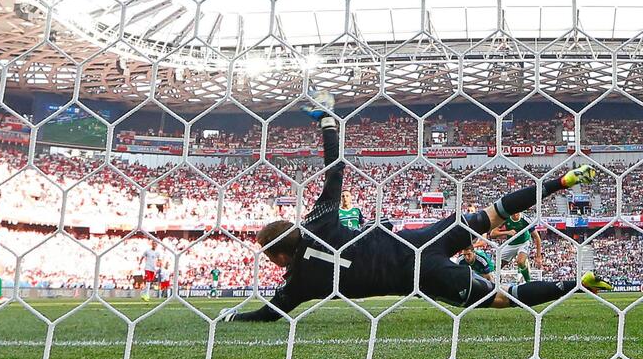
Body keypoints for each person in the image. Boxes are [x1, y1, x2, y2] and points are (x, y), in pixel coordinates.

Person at [220, 92, 612, 323]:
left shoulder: (298, 284)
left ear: (279, 255)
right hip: (424, 238)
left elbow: (271, 313)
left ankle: (574, 284)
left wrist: (235, 316)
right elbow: (335, 172)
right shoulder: (317, 220)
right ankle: (559, 181)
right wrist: (327, 123)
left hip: (425, 274)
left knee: (500, 298)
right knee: (494, 213)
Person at [490, 212, 542, 282]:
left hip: (524, 242)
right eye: (513, 212)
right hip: (511, 243)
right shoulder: (505, 218)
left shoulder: (526, 219)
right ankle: (498, 281)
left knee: (520, 262)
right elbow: (492, 234)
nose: (515, 214)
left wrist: (538, 256)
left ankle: (528, 281)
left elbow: (537, 237)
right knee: (496, 266)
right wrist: (507, 232)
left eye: (517, 212)